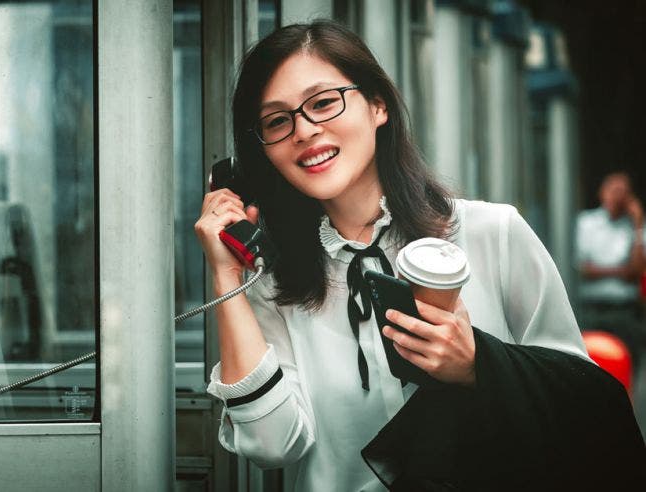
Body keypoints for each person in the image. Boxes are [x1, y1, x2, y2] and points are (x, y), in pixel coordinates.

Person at [195, 21, 642, 491]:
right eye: (276, 120)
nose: (304, 130)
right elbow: (271, 447)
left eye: (324, 102)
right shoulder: (273, 283)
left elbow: (582, 401)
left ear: (378, 105)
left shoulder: (492, 232)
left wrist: (477, 365)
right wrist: (227, 278)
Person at [576, 172, 645, 366]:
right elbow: (582, 270)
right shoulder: (586, 223)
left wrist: (638, 223)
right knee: (592, 367)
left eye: (623, 192)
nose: (618, 196)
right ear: (602, 192)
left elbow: (637, 271)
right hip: (592, 310)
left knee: (628, 367)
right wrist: (621, 272)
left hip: (624, 311)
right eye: (614, 190)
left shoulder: (636, 228)